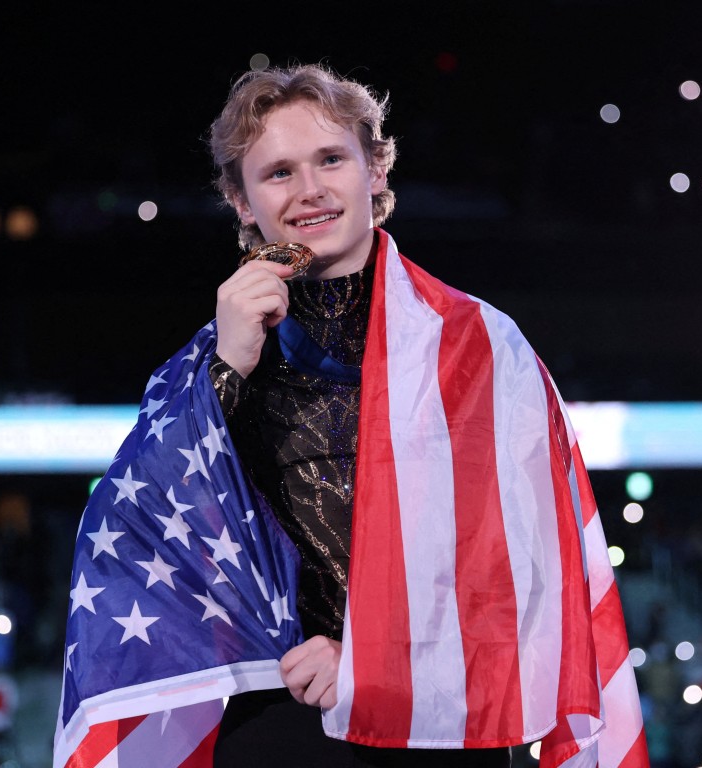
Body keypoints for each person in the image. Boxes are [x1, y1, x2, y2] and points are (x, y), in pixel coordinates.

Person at [55, 64, 648, 768]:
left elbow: (524, 571)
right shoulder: (208, 364)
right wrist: (225, 369)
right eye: (277, 172)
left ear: (375, 169)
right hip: (279, 727)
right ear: (240, 202)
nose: (309, 190)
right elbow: (130, 532)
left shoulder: (481, 347)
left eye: (331, 159)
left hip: (437, 728)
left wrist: (371, 665)